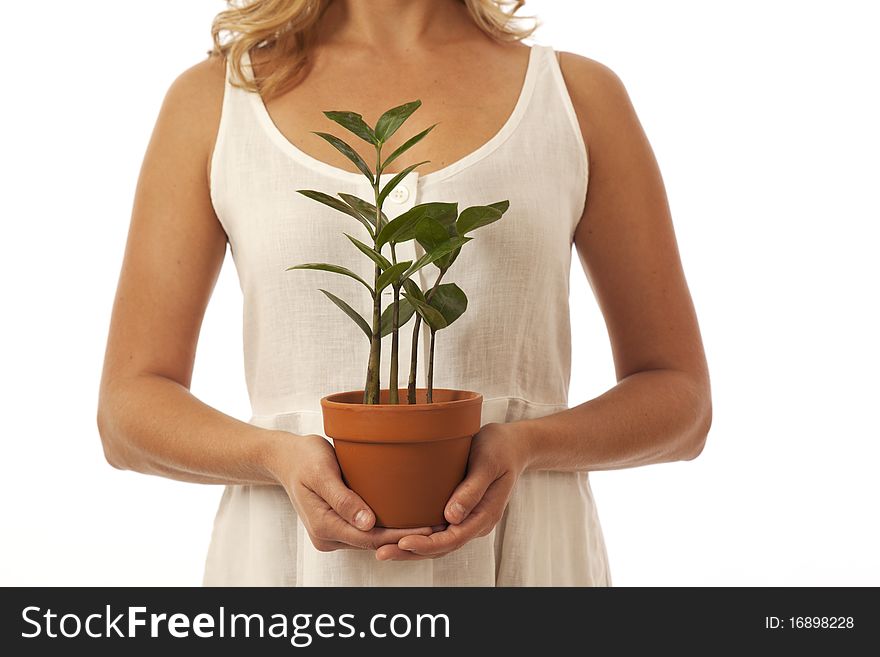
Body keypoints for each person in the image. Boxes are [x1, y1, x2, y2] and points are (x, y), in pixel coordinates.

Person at [97, 0, 711, 586]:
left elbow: (681, 402)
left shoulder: (577, 97)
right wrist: (273, 457)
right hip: (290, 574)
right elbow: (127, 412)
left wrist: (527, 445)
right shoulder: (215, 101)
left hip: (529, 563)